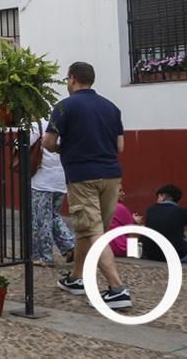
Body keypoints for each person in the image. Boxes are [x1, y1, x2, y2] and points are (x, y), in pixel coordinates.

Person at [43, 61, 131, 309]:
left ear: (72, 79)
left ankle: (117, 288)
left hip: (82, 175)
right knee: (89, 228)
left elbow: (49, 143)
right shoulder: (111, 108)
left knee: (93, 231)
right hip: (112, 176)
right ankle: (76, 278)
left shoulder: (63, 107)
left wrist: (64, 148)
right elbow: (120, 147)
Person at [29, 122, 75, 266]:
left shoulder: (37, 125)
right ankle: (69, 245)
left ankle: (45, 256)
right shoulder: (64, 124)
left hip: (43, 179)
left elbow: (24, 144)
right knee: (54, 215)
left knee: (41, 219)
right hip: (60, 178)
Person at [142, 184, 187, 265]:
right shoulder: (183, 211)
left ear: (163, 196)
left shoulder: (150, 210)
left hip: (150, 254)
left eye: (158, 196)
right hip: (174, 255)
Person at [107, 187, 136, 258]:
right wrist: (135, 221)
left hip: (106, 247)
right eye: (120, 191)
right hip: (119, 248)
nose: (123, 193)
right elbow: (131, 227)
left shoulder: (103, 206)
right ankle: (132, 254)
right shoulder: (119, 207)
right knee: (137, 230)